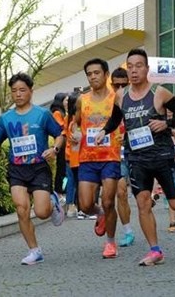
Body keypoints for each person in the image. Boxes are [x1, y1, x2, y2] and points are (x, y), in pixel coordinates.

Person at [96, 48, 175, 266]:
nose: (133, 71)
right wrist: (104, 131)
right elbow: (115, 119)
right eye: (129, 67)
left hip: (161, 155)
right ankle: (155, 250)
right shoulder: (121, 96)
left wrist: (166, 123)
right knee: (143, 202)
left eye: (138, 66)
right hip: (136, 158)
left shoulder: (159, 93)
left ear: (147, 69)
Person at [0, 73, 65, 265]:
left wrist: (54, 149)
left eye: (22, 90)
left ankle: (52, 201)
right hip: (16, 169)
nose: (18, 94)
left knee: (41, 212)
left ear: (31, 91)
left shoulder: (42, 114)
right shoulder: (6, 118)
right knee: (22, 209)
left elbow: (59, 135)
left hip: (38, 168)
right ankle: (34, 250)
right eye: (14, 91)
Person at [70, 58, 123, 259]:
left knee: (109, 201)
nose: (93, 77)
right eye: (89, 74)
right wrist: (74, 133)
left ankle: (110, 243)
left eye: (96, 73)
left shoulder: (116, 97)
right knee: (85, 205)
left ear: (106, 74)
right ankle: (99, 213)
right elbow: (74, 123)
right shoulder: (82, 100)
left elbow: (124, 120)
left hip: (110, 156)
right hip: (87, 158)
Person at [110, 67, 135, 247]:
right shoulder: (106, 101)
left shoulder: (135, 98)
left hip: (137, 150)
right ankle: (128, 231)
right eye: (115, 84)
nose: (119, 87)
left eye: (123, 84)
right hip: (114, 153)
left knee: (144, 195)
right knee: (121, 192)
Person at [64, 92, 80, 218]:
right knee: (76, 181)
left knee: (71, 181)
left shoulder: (67, 117)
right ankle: (73, 205)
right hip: (77, 155)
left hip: (69, 154)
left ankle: (71, 205)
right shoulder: (75, 119)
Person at [49, 93, 68, 201]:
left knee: (64, 170)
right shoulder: (57, 113)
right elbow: (61, 126)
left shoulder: (64, 112)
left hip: (66, 144)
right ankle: (58, 191)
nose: (67, 102)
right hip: (61, 145)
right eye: (66, 100)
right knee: (61, 169)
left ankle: (62, 190)